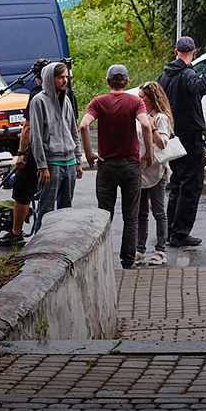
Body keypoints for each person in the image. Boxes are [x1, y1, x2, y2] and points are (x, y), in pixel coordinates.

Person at [80, 65, 154, 269]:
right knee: (131, 216)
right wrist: (148, 153)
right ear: (127, 82)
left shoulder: (98, 102)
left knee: (104, 216)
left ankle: (103, 261)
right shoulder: (136, 102)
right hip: (130, 165)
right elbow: (146, 125)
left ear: (107, 82)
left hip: (106, 165)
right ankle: (127, 261)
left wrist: (89, 153)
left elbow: (83, 125)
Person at [158, 36, 206, 247]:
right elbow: (200, 86)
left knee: (177, 184)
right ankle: (181, 233)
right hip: (191, 137)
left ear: (176, 52)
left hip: (173, 136)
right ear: (193, 52)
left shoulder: (164, 76)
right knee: (191, 186)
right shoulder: (187, 74)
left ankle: (170, 230)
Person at [0, 58, 51, 247]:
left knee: (22, 189)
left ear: (38, 77)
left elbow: (27, 126)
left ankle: (15, 232)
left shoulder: (37, 94)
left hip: (37, 152)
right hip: (60, 152)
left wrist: (21, 153)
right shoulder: (69, 93)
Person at [29, 61, 83, 233]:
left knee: (66, 211)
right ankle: (38, 246)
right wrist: (42, 165)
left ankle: (60, 245)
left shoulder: (66, 99)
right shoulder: (39, 101)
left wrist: (78, 160)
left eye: (66, 77)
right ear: (49, 79)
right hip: (52, 164)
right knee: (46, 211)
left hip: (70, 163)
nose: (65, 81)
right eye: (60, 77)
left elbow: (73, 130)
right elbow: (35, 136)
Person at [135, 81, 173, 266]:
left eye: (142, 97)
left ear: (151, 99)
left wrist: (152, 126)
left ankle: (160, 250)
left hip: (157, 170)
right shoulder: (140, 116)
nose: (139, 100)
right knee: (141, 212)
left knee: (158, 211)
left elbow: (162, 144)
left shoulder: (160, 118)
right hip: (141, 170)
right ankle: (140, 249)